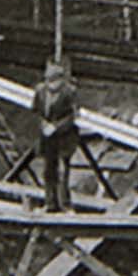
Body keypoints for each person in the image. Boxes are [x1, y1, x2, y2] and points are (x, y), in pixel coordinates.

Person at [31, 58, 80, 211]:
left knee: (63, 172)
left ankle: (65, 204)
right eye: (47, 81)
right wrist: (44, 125)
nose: (50, 85)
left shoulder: (69, 92)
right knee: (48, 171)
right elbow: (36, 112)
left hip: (64, 138)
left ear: (60, 80)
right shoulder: (40, 91)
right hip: (47, 138)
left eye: (53, 81)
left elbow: (74, 116)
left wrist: (56, 127)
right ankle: (50, 203)